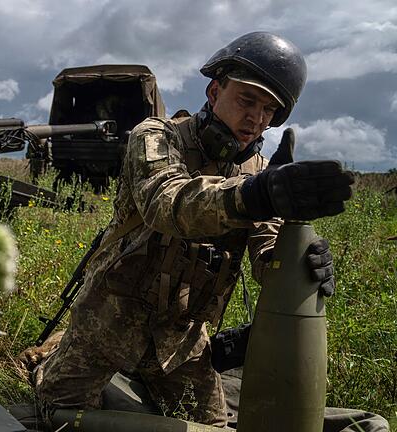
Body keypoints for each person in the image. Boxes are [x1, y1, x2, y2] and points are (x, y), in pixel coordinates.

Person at [21, 32, 378, 430]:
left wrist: (302, 258)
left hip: (181, 343)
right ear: (213, 91)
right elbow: (167, 203)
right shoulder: (156, 136)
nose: (256, 118)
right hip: (107, 322)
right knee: (61, 418)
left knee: (213, 427)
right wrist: (253, 195)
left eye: (268, 110)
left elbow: (266, 257)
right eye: (246, 100)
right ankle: (55, 354)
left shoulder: (258, 172)